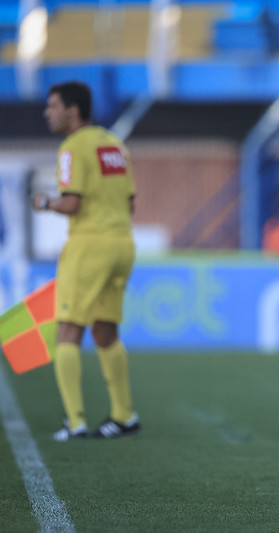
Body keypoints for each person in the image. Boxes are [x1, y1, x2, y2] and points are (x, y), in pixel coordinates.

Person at [32, 81, 140, 441]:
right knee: (106, 329)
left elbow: (72, 203)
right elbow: (130, 203)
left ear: (72, 110)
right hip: (122, 243)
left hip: (89, 245)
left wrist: (45, 202)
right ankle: (124, 416)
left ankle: (75, 422)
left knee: (68, 329)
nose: (48, 112)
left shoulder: (71, 148)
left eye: (53, 106)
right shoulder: (115, 145)